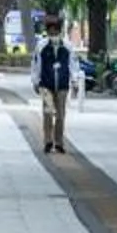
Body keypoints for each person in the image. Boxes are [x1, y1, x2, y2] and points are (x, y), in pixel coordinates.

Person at [34, 17, 80, 153]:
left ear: (59, 32)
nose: (53, 35)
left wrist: (75, 80)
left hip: (62, 84)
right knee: (48, 111)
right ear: (47, 32)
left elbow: (73, 65)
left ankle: (59, 142)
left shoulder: (67, 47)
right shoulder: (41, 46)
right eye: (50, 32)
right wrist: (35, 81)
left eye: (55, 32)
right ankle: (48, 140)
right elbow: (36, 65)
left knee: (60, 114)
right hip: (46, 83)